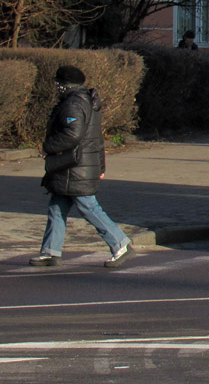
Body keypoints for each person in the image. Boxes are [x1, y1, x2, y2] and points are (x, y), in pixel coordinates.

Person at [30, 65, 134, 269]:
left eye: (58, 83)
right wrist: (101, 166)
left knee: (88, 206)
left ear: (64, 85)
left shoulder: (73, 105)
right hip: (78, 166)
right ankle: (50, 252)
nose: (56, 87)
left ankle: (121, 243)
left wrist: (47, 148)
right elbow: (96, 139)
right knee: (57, 205)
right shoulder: (87, 101)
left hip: (74, 167)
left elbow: (72, 135)